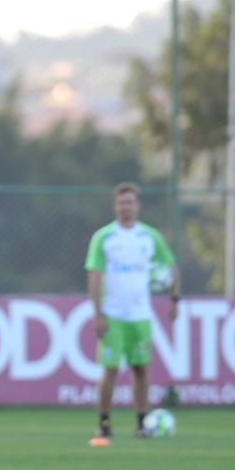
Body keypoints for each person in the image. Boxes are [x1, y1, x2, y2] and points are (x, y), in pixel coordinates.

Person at [85, 182, 179, 446]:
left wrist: (174, 299)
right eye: (121, 202)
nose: (126, 207)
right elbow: (94, 275)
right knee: (110, 370)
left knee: (141, 370)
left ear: (137, 206)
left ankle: (142, 423)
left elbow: (170, 268)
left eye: (130, 202)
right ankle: (104, 423)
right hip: (113, 315)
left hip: (140, 315)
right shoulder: (104, 238)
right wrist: (98, 313)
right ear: (116, 206)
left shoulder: (150, 237)